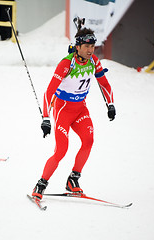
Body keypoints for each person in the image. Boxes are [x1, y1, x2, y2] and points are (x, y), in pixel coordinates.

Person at [32, 28, 116, 200]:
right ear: (77, 46)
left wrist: (110, 104)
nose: (90, 50)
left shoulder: (93, 61)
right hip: (63, 110)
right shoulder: (66, 63)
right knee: (61, 151)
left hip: (80, 109)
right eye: (86, 46)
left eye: (92, 46)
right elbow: (49, 92)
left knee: (88, 140)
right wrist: (46, 119)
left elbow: (105, 84)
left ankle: (73, 179)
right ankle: (41, 183)